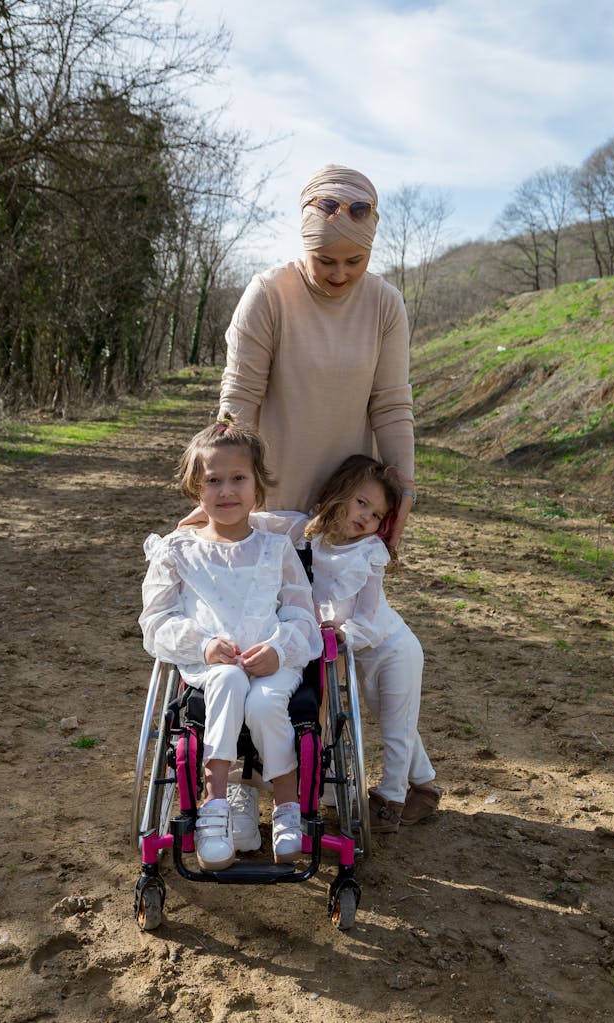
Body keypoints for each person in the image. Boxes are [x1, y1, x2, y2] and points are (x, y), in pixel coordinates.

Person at [211, 164, 422, 839]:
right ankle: (254, 790)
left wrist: (400, 494)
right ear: (301, 242)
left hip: (343, 515)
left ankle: (381, 777)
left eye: (354, 260)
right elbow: (238, 402)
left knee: (350, 645)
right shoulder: (268, 294)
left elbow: (392, 406)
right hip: (272, 514)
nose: (338, 273)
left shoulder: (385, 305)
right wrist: (226, 498)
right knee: (266, 651)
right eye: (324, 259)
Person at [138, 418, 322, 871]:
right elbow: (156, 621)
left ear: (258, 485)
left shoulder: (276, 549)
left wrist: (280, 648)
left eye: (238, 478)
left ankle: (285, 811)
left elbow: (302, 615)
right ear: (194, 490)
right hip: (209, 665)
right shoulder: (178, 550)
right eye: (212, 481)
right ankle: (214, 808)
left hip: (273, 664)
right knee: (224, 678)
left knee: (262, 704)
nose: (226, 491)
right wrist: (201, 645)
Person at [252, 455, 441, 834]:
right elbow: (259, 522)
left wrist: (342, 634)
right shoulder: (307, 532)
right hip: (354, 655)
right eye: (361, 503)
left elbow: (369, 616)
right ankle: (426, 787)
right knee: (397, 721)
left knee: (395, 727)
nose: (366, 518)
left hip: (389, 648)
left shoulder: (368, 552)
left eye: (375, 515)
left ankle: (390, 800)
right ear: (340, 493)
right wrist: (202, 521)